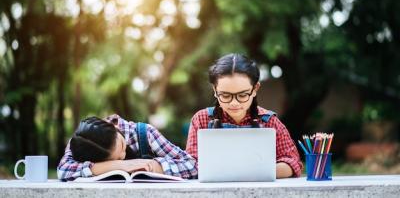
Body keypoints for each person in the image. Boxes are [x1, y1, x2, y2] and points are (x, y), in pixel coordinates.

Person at [186, 53, 303, 178]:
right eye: (225, 96)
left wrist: (249, 172)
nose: (234, 103)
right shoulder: (202, 119)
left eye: (242, 95)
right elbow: (191, 164)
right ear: (215, 90)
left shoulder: (270, 122)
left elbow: (293, 163)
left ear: (255, 89)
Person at [57, 114, 197, 180]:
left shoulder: (145, 134)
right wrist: (120, 166)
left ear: (114, 126)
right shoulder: (83, 142)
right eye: (115, 158)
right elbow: (63, 170)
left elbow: (192, 164)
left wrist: (153, 166)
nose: (124, 156)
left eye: (123, 146)